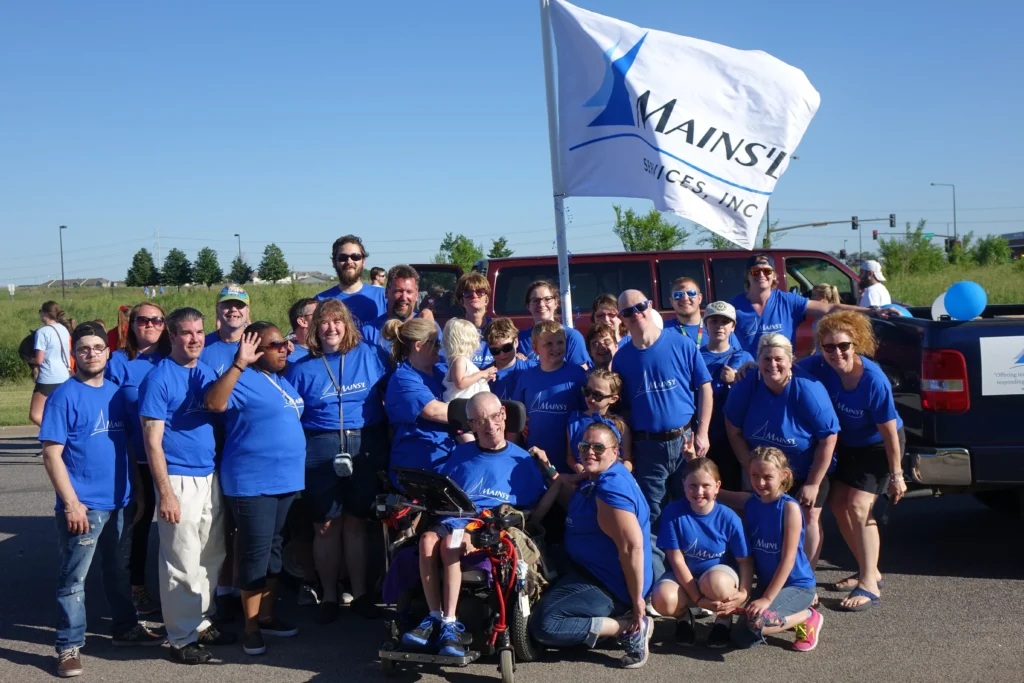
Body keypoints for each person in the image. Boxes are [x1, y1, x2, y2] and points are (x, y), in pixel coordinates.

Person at [40, 322, 165, 677]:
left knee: (118, 571)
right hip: (84, 506)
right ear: (73, 356)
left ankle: (125, 628)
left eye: (97, 347)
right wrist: (71, 503)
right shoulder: (65, 395)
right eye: (84, 349)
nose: (91, 353)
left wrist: (139, 490)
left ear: (107, 352)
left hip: (121, 502)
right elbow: (52, 454)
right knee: (73, 578)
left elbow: (127, 445)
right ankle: (68, 646)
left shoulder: (115, 393)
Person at [401, 393, 558, 657]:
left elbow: (534, 513)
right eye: (481, 420)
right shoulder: (460, 454)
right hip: (455, 517)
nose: (490, 425)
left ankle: (450, 625)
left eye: (495, 416)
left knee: (451, 545)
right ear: (471, 425)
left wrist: (553, 476)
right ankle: (434, 617)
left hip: (489, 524)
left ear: (504, 415)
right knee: (427, 539)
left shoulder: (522, 461)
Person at [287, 299, 390, 622]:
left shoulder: (371, 355)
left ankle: (360, 594)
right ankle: (329, 595)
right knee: (326, 526)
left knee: (357, 523)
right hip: (320, 445)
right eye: (324, 323)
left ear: (347, 326)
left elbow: (396, 391)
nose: (331, 328)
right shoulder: (302, 367)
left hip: (365, 442)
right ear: (314, 328)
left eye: (337, 322)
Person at [205, 324, 305, 655]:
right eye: (276, 344)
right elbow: (215, 403)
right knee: (255, 551)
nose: (284, 348)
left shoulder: (280, 380)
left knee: (275, 548)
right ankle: (249, 628)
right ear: (255, 349)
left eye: (285, 343)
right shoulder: (242, 378)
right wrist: (239, 363)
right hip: (252, 482)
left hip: (285, 481)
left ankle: (267, 616)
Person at [138, 307, 230, 665]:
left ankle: (202, 621)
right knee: (181, 560)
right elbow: (152, 442)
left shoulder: (205, 371)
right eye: (186, 333)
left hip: (209, 473)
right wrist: (166, 492)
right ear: (172, 337)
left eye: (199, 332)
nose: (194, 339)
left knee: (210, 554)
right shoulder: (159, 378)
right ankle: (180, 637)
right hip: (177, 476)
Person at [797, 312, 906, 611]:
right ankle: (868, 569)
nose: (836, 353)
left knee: (859, 506)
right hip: (846, 446)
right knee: (838, 504)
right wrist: (752, 367)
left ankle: (870, 583)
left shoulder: (873, 379)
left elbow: (889, 432)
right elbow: (782, 367)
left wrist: (897, 474)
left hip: (878, 446)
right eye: (828, 347)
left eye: (843, 345)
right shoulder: (817, 365)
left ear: (856, 343)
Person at [529, 423, 654, 669]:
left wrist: (637, 600)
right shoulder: (596, 478)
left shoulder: (611, 488)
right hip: (586, 566)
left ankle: (627, 627)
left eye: (598, 447)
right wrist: (550, 470)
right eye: (584, 446)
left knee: (544, 624)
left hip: (608, 584)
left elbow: (632, 547)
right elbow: (576, 505)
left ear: (615, 452)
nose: (589, 452)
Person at [612, 289, 713, 579]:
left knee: (693, 508)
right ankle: (660, 581)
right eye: (628, 312)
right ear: (622, 318)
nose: (636, 314)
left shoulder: (681, 344)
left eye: (640, 307)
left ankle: (699, 578)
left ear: (650, 306)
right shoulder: (623, 359)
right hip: (649, 447)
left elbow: (704, 388)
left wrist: (702, 432)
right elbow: (626, 411)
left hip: (685, 442)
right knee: (653, 517)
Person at [724, 333, 839, 571]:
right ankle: (767, 570)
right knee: (763, 516)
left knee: (808, 518)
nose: (772, 365)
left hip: (806, 468)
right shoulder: (747, 386)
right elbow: (732, 429)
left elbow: (828, 437)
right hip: (762, 468)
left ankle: (805, 578)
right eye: (766, 359)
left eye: (779, 359)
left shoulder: (807, 390)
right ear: (758, 361)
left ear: (791, 361)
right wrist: (750, 466)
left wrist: (813, 483)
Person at [104, 301, 172, 617]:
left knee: (177, 526)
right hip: (136, 459)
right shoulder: (118, 363)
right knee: (139, 525)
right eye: (144, 320)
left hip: (175, 459)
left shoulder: (172, 359)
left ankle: (180, 591)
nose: (150, 325)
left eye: (158, 320)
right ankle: (137, 589)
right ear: (132, 324)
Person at [728, 447, 823, 652]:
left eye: (767, 477)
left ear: (783, 475)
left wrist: (766, 599)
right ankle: (782, 615)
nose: (760, 482)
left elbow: (788, 559)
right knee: (741, 637)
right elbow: (713, 491)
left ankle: (807, 616)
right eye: (754, 475)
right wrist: (692, 459)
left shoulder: (789, 508)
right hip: (767, 583)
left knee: (758, 623)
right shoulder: (750, 502)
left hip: (797, 585)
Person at [651, 458, 752, 648]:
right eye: (693, 485)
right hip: (686, 575)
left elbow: (744, 560)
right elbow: (677, 559)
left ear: (717, 486)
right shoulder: (673, 512)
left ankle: (723, 620)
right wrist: (697, 599)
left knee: (717, 583)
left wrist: (744, 592)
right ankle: (683, 618)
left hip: (717, 578)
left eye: (706, 485)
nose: (699, 492)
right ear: (683, 484)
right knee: (662, 599)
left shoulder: (728, 516)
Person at [730, 253, 894, 357]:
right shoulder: (734, 307)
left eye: (767, 271)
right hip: (748, 375)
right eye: (755, 271)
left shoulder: (788, 301)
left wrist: (873, 311)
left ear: (774, 276)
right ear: (747, 276)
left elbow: (830, 308)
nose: (761, 275)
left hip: (782, 374)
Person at [383, 318, 454, 481]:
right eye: (435, 343)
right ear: (418, 345)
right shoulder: (403, 379)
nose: (440, 347)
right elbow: (434, 411)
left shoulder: (441, 370)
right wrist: (476, 412)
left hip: (446, 461)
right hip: (418, 467)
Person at [514, 321, 588, 473]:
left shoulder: (577, 375)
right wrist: (522, 424)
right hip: (534, 455)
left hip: (568, 457)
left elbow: (587, 411)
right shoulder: (527, 377)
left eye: (560, 342)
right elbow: (516, 411)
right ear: (535, 349)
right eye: (548, 344)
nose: (556, 348)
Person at [698, 301, 755, 491]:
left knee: (733, 488)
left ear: (733, 326)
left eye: (725, 322)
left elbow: (754, 395)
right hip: (706, 435)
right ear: (706, 325)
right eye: (714, 321)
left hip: (734, 437)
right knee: (705, 486)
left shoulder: (744, 358)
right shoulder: (695, 357)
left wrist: (735, 382)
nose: (719, 326)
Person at [363, 265, 441, 355]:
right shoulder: (369, 333)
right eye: (398, 291)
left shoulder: (430, 326)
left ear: (417, 295)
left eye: (409, 292)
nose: (404, 298)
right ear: (387, 292)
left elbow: (442, 363)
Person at [566, 369, 632, 472]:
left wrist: (616, 475)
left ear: (613, 399)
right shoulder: (575, 420)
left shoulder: (619, 424)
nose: (590, 398)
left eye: (597, 395)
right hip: (583, 479)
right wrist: (580, 469)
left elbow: (628, 460)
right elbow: (570, 457)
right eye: (587, 391)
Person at [316, 235, 387, 326]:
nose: (349, 261)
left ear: (363, 262)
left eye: (355, 257)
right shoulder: (320, 301)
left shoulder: (384, 297)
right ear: (334, 262)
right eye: (343, 257)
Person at [518, 280, 591, 366]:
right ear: (528, 306)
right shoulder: (519, 339)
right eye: (535, 300)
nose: (541, 304)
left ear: (556, 303)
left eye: (547, 299)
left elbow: (581, 373)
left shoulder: (572, 336)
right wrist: (513, 360)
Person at [29, 301, 74, 427]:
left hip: (48, 377)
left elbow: (39, 360)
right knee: (58, 411)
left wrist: (28, 359)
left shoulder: (42, 332)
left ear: (44, 313)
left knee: (35, 414)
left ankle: (53, 434)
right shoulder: (63, 329)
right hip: (64, 375)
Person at [665, 277, 740, 348]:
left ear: (700, 298)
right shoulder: (663, 330)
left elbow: (739, 358)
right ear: (671, 301)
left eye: (691, 293)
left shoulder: (720, 329)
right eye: (678, 295)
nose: (685, 298)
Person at [442, 318, 496, 409]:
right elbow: (460, 383)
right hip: (461, 409)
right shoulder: (459, 360)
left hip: (468, 407)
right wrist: (481, 374)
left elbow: (469, 384)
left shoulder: (463, 360)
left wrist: (484, 379)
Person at [201, 284, 250, 376]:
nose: (233, 309)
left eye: (239, 305)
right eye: (227, 305)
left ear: (247, 311)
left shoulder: (258, 345)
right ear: (217, 309)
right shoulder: (201, 345)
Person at [484, 317, 535, 401]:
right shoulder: (484, 375)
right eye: (495, 350)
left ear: (516, 342)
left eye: (506, 347)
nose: (502, 354)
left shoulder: (531, 368)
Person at [452, 271, 494, 366]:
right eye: (468, 293)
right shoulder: (455, 331)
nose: (474, 296)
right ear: (462, 301)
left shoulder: (498, 328)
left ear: (486, 299)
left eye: (480, 291)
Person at [809, 284, 841, 353]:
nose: (811, 298)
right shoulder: (819, 315)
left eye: (814, 295)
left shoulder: (828, 318)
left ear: (823, 297)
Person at [286, 297, 318, 363]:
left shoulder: (330, 349)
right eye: (318, 313)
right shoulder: (287, 357)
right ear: (302, 322)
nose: (324, 317)